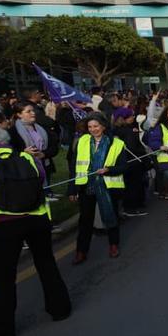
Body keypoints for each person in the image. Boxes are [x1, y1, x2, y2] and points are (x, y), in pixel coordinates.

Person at [0, 123, 71, 336]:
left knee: (4, 276)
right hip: (37, 217)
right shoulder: (26, 157)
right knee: (47, 264)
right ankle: (60, 309)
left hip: (5, 223)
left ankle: (1, 327)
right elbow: (40, 179)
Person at [68, 112, 127, 264]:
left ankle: (113, 245)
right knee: (85, 221)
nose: (93, 129)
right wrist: (72, 189)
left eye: (96, 126)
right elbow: (74, 166)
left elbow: (123, 167)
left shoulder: (117, 143)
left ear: (103, 126)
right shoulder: (82, 141)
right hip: (86, 187)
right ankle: (81, 251)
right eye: (90, 127)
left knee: (111, 216)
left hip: (107, 187)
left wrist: (109, 170)